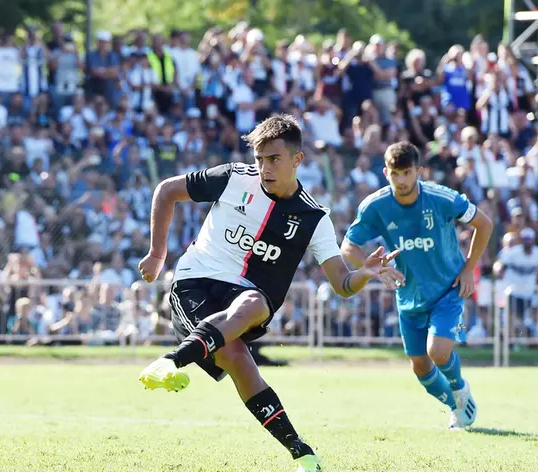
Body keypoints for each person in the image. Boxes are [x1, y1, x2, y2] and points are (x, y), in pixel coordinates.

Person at [136, 114, 405, 472]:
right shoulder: (233, 177)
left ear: (297, 160)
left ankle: (303, 455)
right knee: (235, 356)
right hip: (196, 280)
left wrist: (364, 273)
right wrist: (158, 253)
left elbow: (341, 284)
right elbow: (168, 190)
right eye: (260, 159)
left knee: (253, 304)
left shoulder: (313, 218)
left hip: (246, 299)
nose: (264, 167)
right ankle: (299, 448)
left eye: (274, 159)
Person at [341, 141, 493, 430]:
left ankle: (460, 389)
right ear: (386, 172)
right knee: (420, 367)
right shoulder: (376, 206)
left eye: (407, 173)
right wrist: (371, 267)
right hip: (408, 296)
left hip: (448, 290)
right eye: (395, 174)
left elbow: (484, 224)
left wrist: (469, 269)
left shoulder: (441, 198)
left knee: (438, 351)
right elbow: (349, 246)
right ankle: (457, 407)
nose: (401, 180)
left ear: (419, 171)